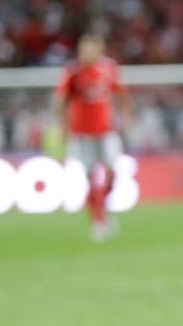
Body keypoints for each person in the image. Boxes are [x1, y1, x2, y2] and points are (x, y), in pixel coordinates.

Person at [52, 32, 132, 241]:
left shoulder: (109, 68)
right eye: (83, 48)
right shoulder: (73, 71)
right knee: (89, 177)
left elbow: (122, 94)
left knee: (113, 171)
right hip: (82, 133)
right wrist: (62, 126)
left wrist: (126, 115)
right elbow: (60, 99)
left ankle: (102, 208)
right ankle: (98, 221)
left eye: (91, 48)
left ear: (100, 50)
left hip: (106, 130)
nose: (87, 53)